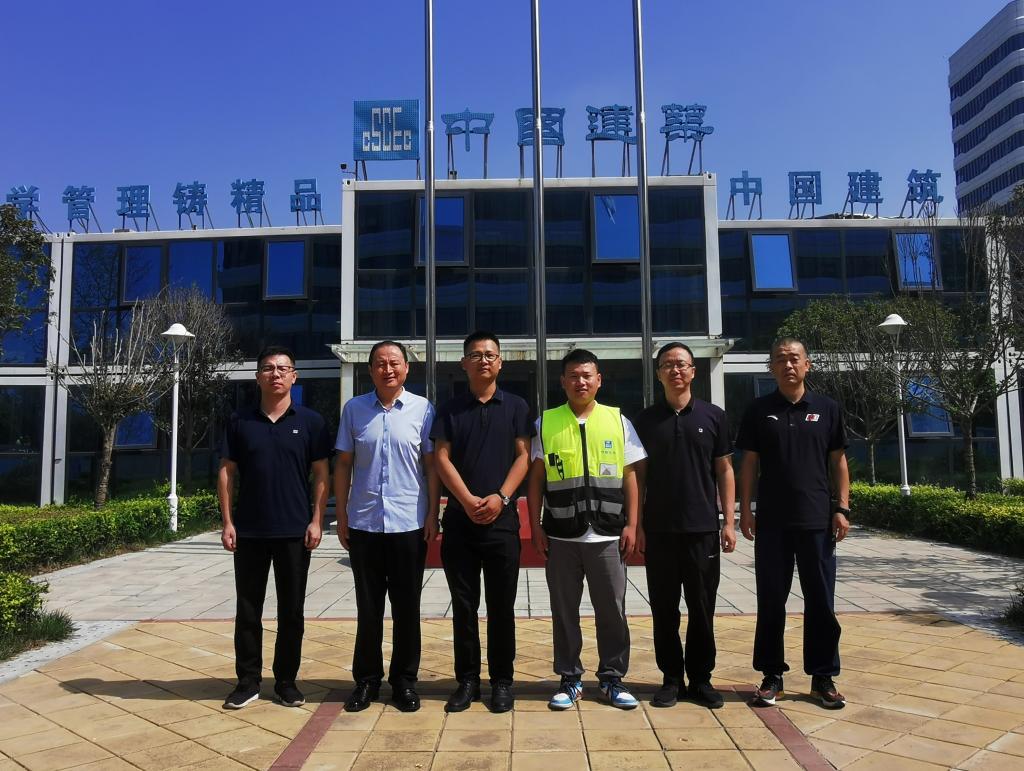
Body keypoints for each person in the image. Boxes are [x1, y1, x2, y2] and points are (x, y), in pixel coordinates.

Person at [527, 349, 645, 710]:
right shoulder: (546, 423)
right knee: (564, 612)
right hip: (561, 535)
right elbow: (535, 481)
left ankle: (612, 678)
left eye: (587, 375)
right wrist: (536, 527)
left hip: (608, 535)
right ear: (563, 381)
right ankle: (570, 678)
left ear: (598, 380)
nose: (581, 382)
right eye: (574, 376)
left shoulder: (618, 420)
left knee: (612, 611)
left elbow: (631, 477)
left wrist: (633, 524)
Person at [737, 337, 850, 710]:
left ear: (807, 364)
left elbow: (838, 461)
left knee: (821, 602)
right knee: (771, 601)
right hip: (772, 522)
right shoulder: (758, 410)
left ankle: (823, 677)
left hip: (817, 520)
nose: (788, 365)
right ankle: (772, 676)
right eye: (781, 359)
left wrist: (842, 507)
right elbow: (749, 463)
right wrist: (745, 510)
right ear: (771, 367)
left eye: (794, 358)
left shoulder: (827, 408)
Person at [218, 346, 332, 710]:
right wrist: (227, 522)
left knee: (291, 611)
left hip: (294, 532)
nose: (276, 374)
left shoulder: (311, 421)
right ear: (258, 378)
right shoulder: (240, 420)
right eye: (268, 368)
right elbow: (226, 472)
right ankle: (247, 681)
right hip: (249, 531)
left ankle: (286, 682)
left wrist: (317, 520)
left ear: (294, 376)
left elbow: (322, 474)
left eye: (283, 368)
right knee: (248, 610)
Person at [334, 340, 439, 713]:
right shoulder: (354, 409)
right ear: (370, 370)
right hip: (365, 523)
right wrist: (342, 515)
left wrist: (433, 514)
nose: (388, 369)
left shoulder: (423, 410)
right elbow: (343, 464)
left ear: (407, 369)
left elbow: (431, 467)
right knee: (369, 607)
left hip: (409, 523)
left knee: (407, 608)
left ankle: (404, 682)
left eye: (395, 363)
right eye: (380, 363)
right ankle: (366, 681)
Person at [432, 331, 532, 713]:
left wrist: (501, 497)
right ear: (464, 363)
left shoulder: (517, 406)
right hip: (460, 522)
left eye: (490, 354)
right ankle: (468, 681)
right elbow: (441, 458)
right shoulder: (450, 409)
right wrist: (467, 500)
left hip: (502, 522)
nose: (484, 360)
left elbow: (523, 456)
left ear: (500, 362)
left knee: (502, 607)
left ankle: (502, 681)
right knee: (464, 606)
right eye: (476, 355)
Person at [634, 342, 736, 710]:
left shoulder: (714, 416)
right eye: (668, 365)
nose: (675, 370)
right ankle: (672, 679)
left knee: (702, 608)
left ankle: (701, 678)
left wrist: (728, 522)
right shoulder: (644, 421)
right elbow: (638, 477)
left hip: (702, 530)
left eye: (682, 364)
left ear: (693, 371)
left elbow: (725, 470)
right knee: (664, 609)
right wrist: (637, 524)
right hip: (659, 530)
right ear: (658, 373)